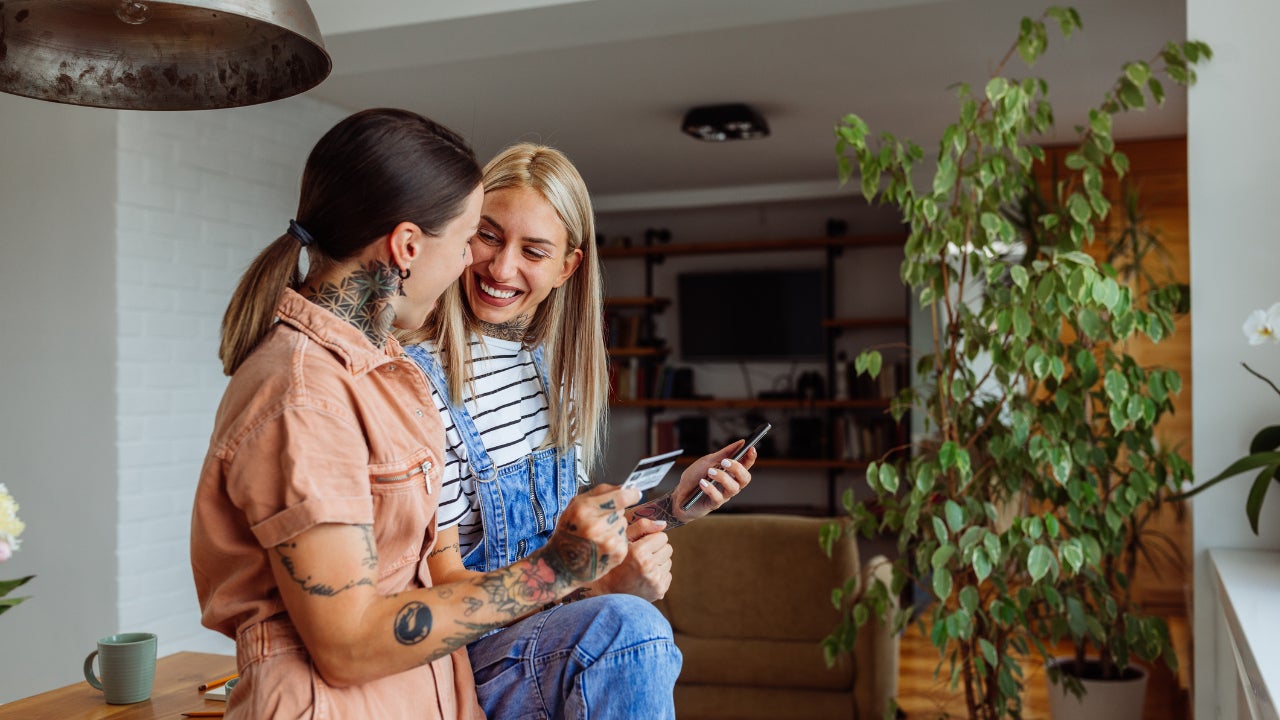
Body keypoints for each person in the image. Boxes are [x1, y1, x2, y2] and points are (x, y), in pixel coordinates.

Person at [190, 111, 642, 720]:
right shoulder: (306, 398)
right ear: (407, 246)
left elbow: (415, 586)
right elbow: (346, 645)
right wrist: (554, 571)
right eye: (467, 242)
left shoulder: (381, 373)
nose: (470, 267)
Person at [400, 143, 757, 720]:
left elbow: (565, 536)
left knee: (628, 623)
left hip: (549, 627)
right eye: (488, 236)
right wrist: (596, 587)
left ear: (568, 266)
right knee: (629, 627)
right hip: (473, 653)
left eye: (533, 251)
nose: (501, 267)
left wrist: (671, 507)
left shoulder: (549, 372)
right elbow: (445, 582)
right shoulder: (421, 379)